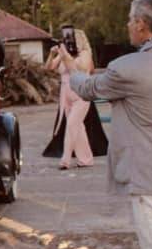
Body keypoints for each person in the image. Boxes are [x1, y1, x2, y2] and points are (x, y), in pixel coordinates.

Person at [60, 0, 152, 249]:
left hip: (151, 173)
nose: (126, 26)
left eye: (129, 21)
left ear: (140, 25)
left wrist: (72, 69)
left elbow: (87, 88)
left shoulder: (127, 68)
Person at [43, 27, 108, 169]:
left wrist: (65, 54)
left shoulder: (85, 54)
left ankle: (65, 159)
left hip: (81, 93)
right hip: (66, 93)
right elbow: (49, 67)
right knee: (78, 128)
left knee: (72, 124)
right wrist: (52, 53)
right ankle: (86, 159)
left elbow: (77, 68)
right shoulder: (63, 53)